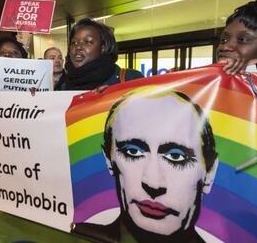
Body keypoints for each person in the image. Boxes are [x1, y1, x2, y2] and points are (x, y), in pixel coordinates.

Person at [72, 88, 219, 243]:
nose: (153, 183)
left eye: (176, 157)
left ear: (209, 173)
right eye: (133, 152)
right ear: (109, 160)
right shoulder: (79, 235)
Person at [61, 18, 143, 90]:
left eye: (88, 42)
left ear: (103, 48)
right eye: (74, 42)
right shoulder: (64, 86)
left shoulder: (131, 78)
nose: (78, 47)